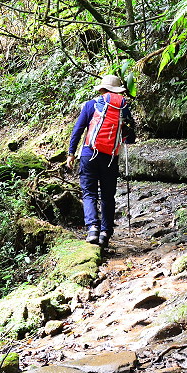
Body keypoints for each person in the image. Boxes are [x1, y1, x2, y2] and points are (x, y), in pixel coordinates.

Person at [66, 74, 136, 247]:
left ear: (102, 89)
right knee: (107, 196)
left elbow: (78, 130)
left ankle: (92, 229)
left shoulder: (91, 105)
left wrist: (71, 153)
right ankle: (105, 233)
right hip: (111, 156)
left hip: (89, 154)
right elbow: (131, 138)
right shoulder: (122, 108)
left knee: (89, 193)